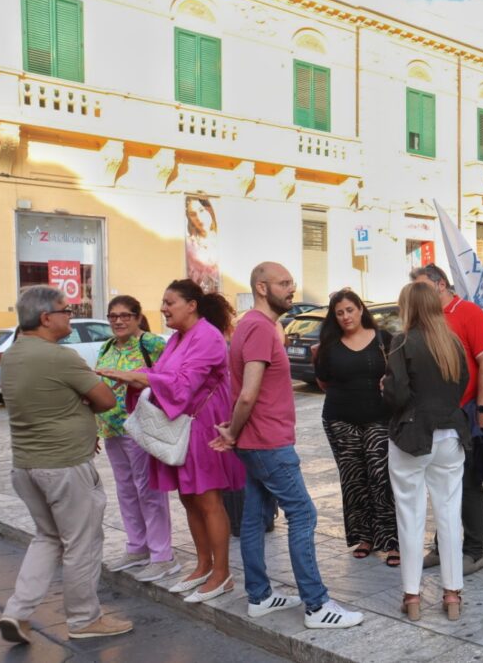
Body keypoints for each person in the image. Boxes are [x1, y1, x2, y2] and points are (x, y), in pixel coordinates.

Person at [211, 263, 364, 629]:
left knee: (253, 518)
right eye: (283, 284)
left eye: (291, 282)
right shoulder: (261, 329)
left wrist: (235, 433)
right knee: (304, 514)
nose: (291, 289)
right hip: (267, 442)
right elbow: (248, 393)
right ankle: (316, 605)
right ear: (262, 288)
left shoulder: (249, 325)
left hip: (255, 441)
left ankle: (260, 596)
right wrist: (232, 430)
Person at [0, 286, 130, 643]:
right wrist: (83, 406)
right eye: (65, 310)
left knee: (47, 538)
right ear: (45, 318)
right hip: (64, 467)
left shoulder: (11, 356)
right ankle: (84, 619)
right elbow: (104, 400)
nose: (70, 315)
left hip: (25, 465)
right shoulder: (60, 357)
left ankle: (17, 612)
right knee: (81, 543)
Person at [100, 279, 244, 601]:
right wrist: (138, 376)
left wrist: (137, 376)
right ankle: (203, 566)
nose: (163, 309)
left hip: (203, 427)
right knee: (189, 498)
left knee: (208, 500)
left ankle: (223, 574)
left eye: (169, 302)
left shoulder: (207, 336)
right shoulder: (178, 337)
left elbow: (182, 385)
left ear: (191, 305)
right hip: (179, 426)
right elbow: (161, 376)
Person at [383, 282, 469, 622]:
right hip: (450, 434)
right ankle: (452, 595)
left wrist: (385, 386)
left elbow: (397, 395)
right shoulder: (453, 343)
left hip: (412, 435)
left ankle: (413, 596)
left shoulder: (402, 341)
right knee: (449, 514)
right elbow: (461, 388)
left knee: (410, 515)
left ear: (408, 307)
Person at [410, 264, 483, 575]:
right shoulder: (426, 320)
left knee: (469, 484)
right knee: (440, 484)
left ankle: (474, 551)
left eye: (423, 288)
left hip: (466, 412)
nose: (419, 297)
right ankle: (441, 545)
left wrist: (482, 408)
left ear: (441, 285)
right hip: (434, 418)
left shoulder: (470, 313)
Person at [96, 295, 178, 582]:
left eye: (125, 315)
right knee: (125, 490)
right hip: (112, 430)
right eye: (113, 316)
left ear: (137, 316)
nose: (118, 321)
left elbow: (172, 378)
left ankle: (162, 555)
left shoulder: (151, 344)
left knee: (149, 490)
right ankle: (137, 546)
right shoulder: (106, 346)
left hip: (141, 428)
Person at [314, 289, 398, 565]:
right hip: (340, 418)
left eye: (350, 310)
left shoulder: (383, 339)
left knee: (381, 476)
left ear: (361, 309)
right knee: (353, 480)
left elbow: (396, 375)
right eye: (339, 313)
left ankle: (392, 541)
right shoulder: (329, 345)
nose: (346, 316)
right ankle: (364, 537)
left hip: (379, 417)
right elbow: (323, 382)